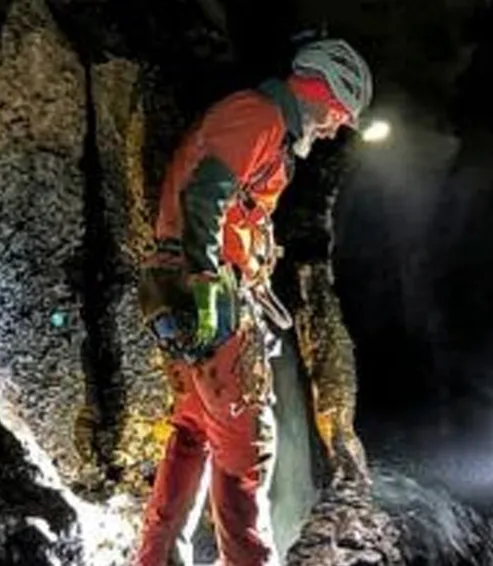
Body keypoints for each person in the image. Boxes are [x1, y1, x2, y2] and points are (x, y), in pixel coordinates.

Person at [133, 37, 374, 566]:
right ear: (325, 94)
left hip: (187, 293)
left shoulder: (263, 126)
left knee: (195, 431)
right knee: (247, 446)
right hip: (207, 294)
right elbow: (206, 194)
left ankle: (155, 558)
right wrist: (207, 282)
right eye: (338, 116)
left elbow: (226, 204)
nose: (334, 129)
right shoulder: (258, 115)